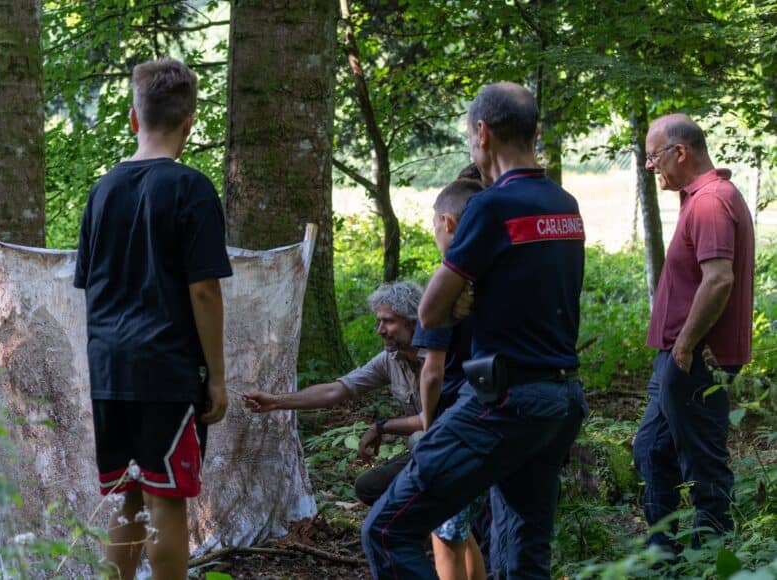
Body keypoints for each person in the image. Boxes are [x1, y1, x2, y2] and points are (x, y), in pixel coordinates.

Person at [362, 81, 588, 579]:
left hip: (503, 402)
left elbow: (429, 311)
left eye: (470, 137)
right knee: (524, 555)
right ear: (534, 132)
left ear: (482, 133)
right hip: (561, 400)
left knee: (386, 529)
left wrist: (463, 295)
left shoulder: (491, 206)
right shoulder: (564, 204)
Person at [72, 57, 232, 580]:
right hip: (167, 369)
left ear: (133, 119)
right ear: (189, 123)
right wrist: (218, 377)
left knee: (128, 497)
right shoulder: (192, 188)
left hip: (109, 370)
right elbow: (203, 290)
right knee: (167, 499)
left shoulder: (101, 192)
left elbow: (89, 286)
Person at [633, 114, 755, 552]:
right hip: (678, 355)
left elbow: (718, 279)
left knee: (704, 464)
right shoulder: (703, 198)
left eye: (654, 156)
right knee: (651, 449)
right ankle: (662, 554)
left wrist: (685, 343)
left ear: (680, 152)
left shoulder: (710, 202)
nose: (650, 166)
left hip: (696, 357)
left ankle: (714, 557)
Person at [242, 282, 426, 506]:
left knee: (419, 441)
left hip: (450, 448)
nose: (380, 330)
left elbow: (430, 421)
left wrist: (381, 426)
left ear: (412, 322)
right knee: (369, 487)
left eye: (388, 321)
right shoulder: (391, 359)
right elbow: (335, 390)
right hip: (429, 450)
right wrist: (276, 401)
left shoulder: (439, 357)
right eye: (379, 321)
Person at [415, 177, 487, 580]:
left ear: (448, 223)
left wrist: (428, 424)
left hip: (456, 420)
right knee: (464, 528)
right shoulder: (496, 277)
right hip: (497, 413)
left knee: (443, 531)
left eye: (433, 226)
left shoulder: (447, 285)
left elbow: (432, 371)